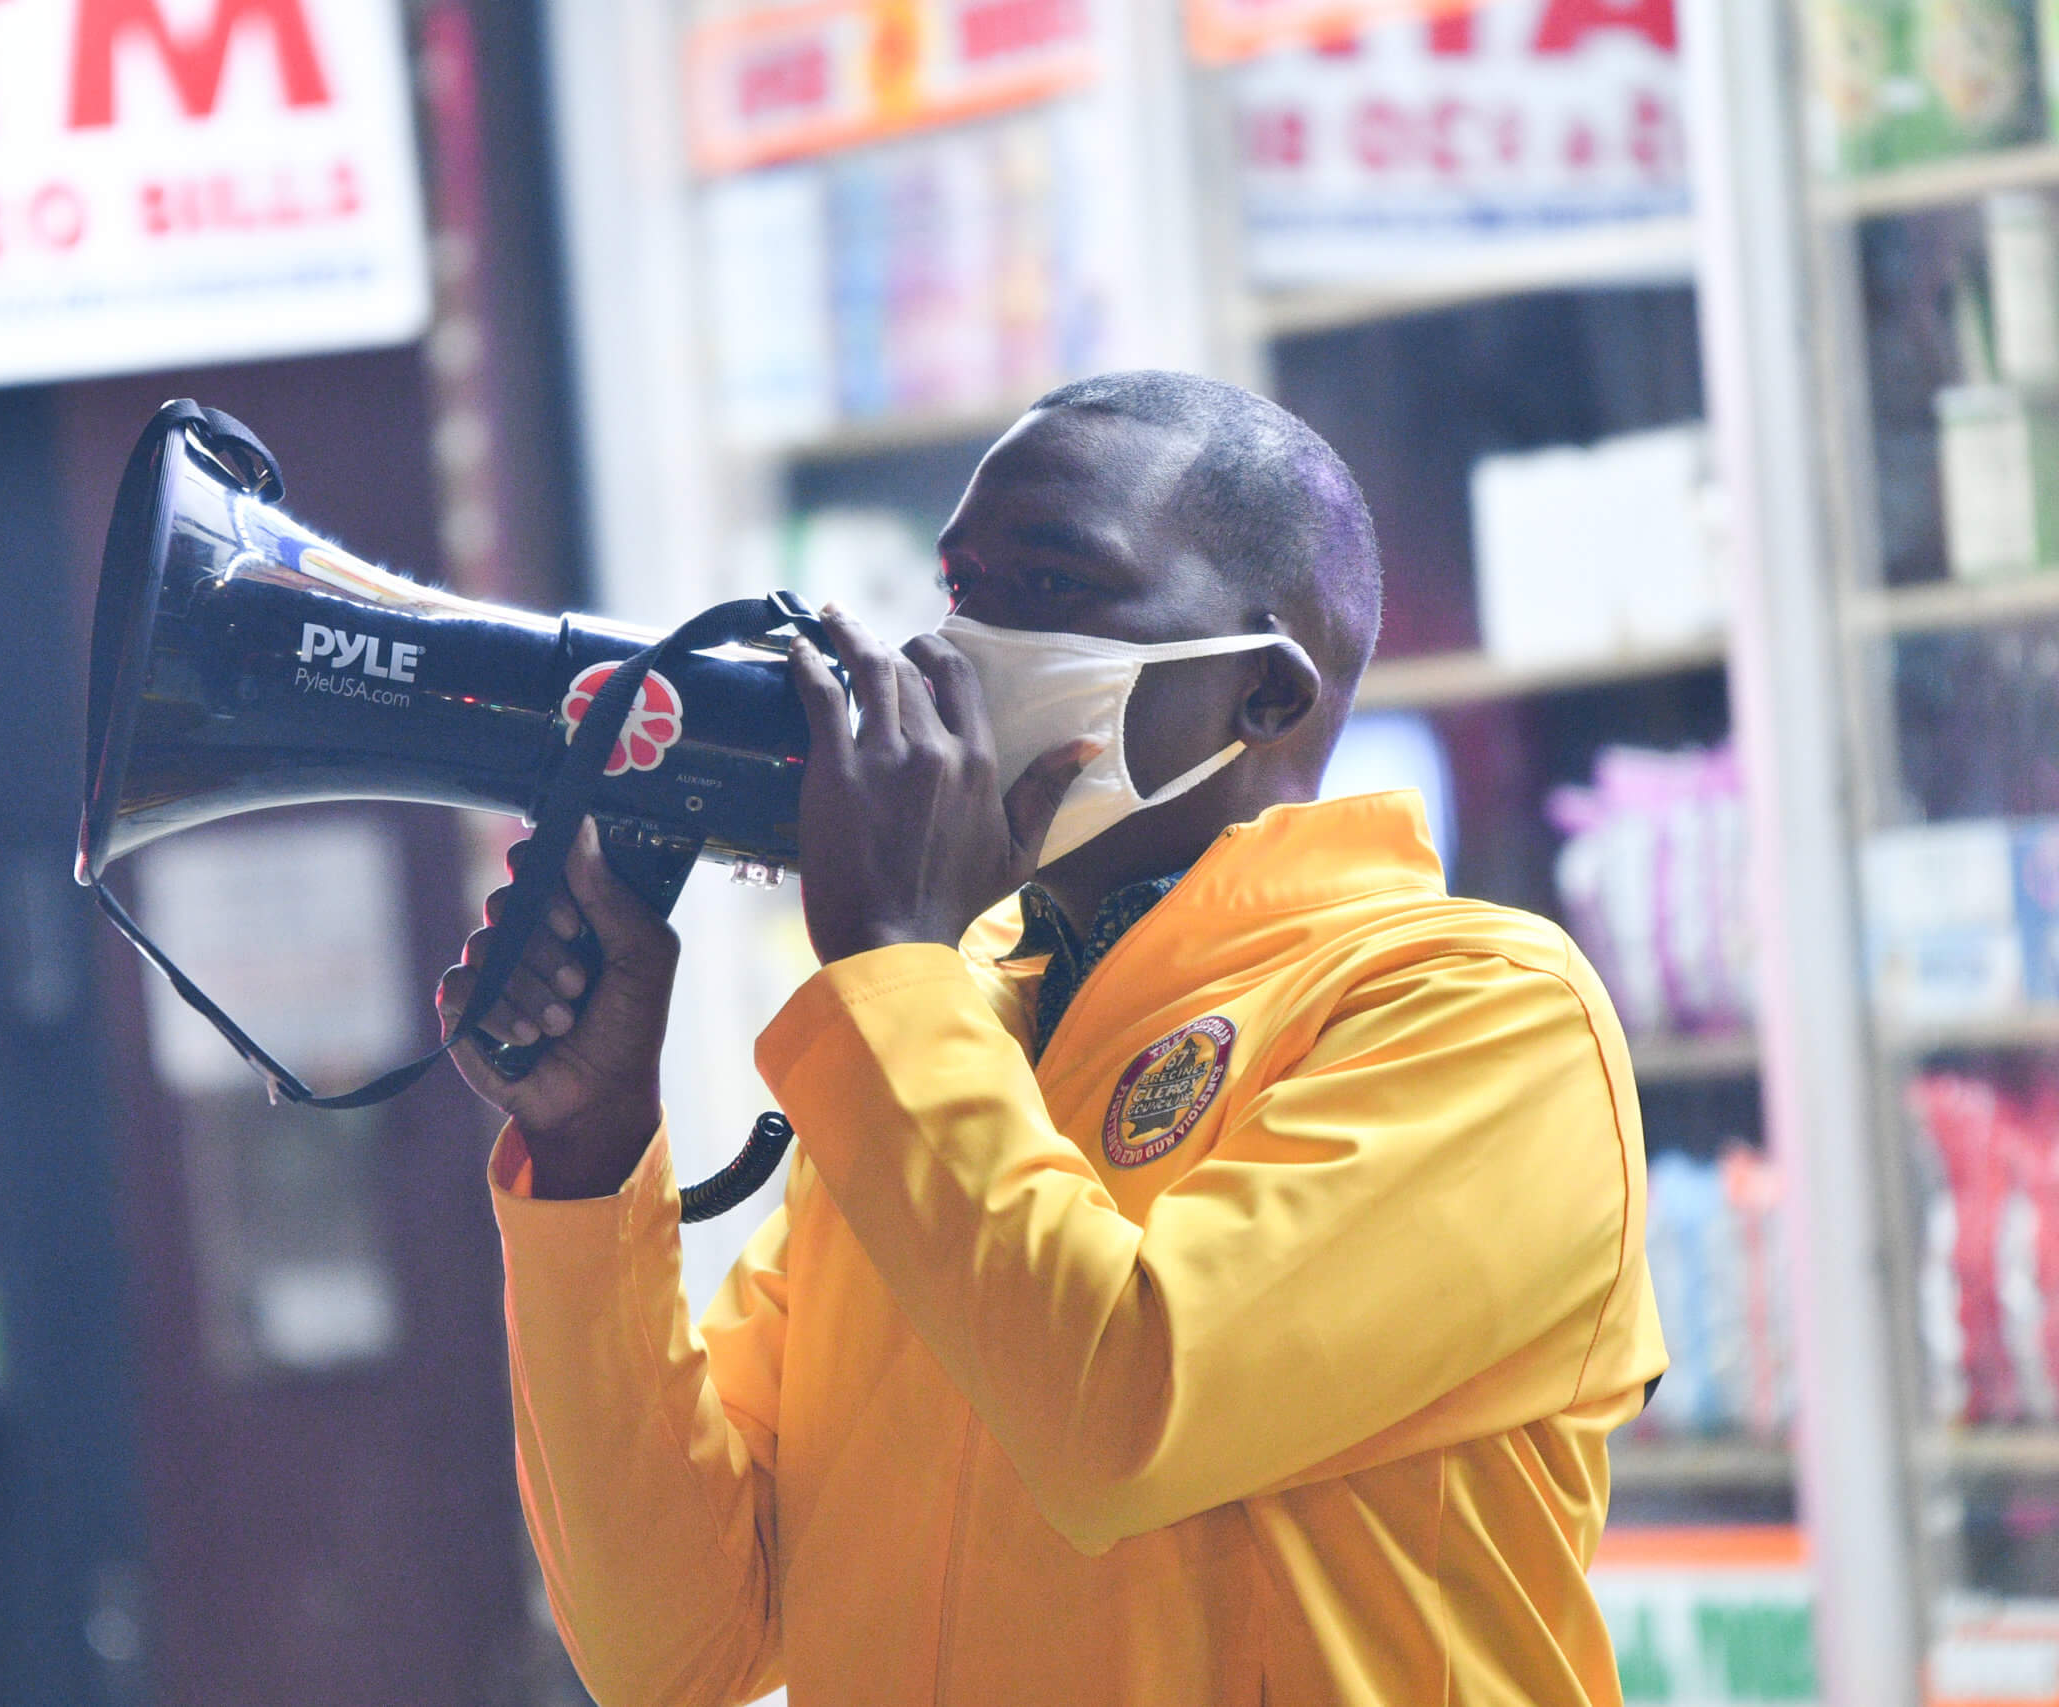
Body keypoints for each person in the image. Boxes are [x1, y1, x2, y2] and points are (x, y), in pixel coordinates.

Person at [436, 371, 1665, 1706]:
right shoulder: (945, 1032)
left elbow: (1123, 1419)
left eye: (1055, 586)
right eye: (962, 589)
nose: (957, 651)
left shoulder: (1481, 1010)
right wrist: (589, 1151)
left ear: (1263, 694)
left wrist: (898, 965)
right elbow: (673, 1652)